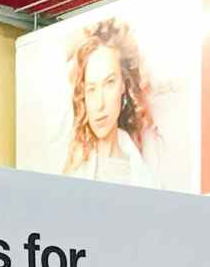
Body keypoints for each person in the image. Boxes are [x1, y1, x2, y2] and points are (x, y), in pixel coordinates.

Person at [60, 18, 163, 187]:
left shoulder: (143, 171)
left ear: (123, 85)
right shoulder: (72, 165)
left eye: (109, 83)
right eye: (91, 89)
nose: (100, 104)